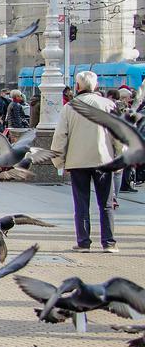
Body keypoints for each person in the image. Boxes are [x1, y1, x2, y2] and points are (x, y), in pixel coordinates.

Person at [52, 70, 120, 252]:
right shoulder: (108, 105)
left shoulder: (69, 107)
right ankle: (109, 243)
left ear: (77, 86)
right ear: (96, 86)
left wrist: (59, 162)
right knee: (106, 203)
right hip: (104, 160)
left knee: (81, 203)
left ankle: (83, 242)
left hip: (77, 162)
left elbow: (60, 137)